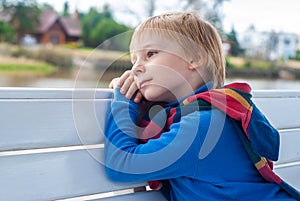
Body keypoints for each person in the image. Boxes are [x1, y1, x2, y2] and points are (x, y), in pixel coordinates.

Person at [104, 11, 300, 201]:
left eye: (150, 53)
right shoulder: (203, 113)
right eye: (134, 60)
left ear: (195, 59)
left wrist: (123, 97)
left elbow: (120, 164)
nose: (136, 68)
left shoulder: (204, 125)